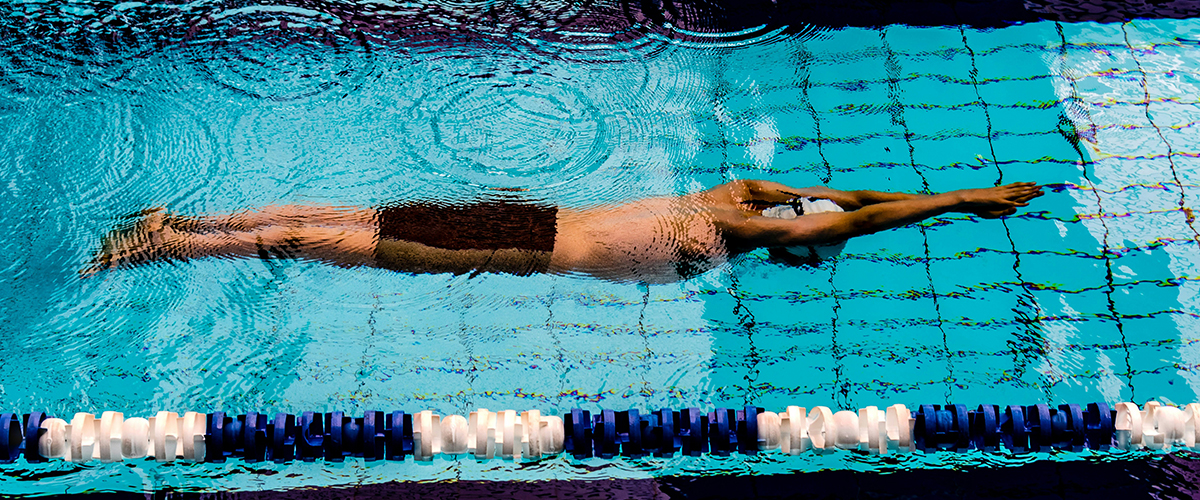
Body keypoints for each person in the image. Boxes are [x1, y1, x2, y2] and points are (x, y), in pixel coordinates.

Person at [88, 181, 1044, 283]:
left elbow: (837, 199)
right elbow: (864, 218)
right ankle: (168, 245)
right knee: (334, 242)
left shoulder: (730, 194)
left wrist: (829, 209)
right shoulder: (729, 237)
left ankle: (180, 223)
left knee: (346, 218)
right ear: (785, 240)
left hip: (527, 213)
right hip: (523, 247)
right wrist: (964, 200)